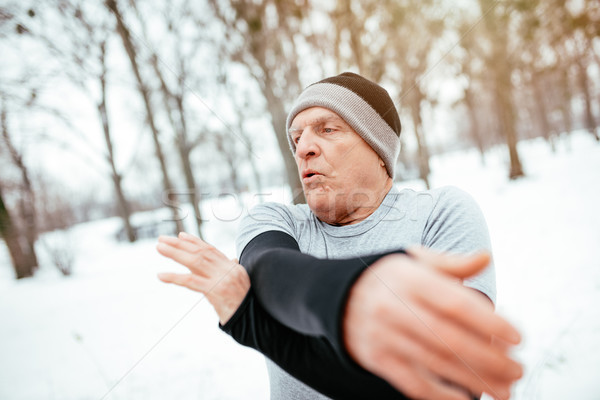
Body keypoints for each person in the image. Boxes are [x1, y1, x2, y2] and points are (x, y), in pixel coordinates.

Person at [156, 72, 522, 400]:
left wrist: (253, 321)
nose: (303, 148)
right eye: (297, 138)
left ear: (379, 151)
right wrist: (350, 297)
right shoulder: (276, 220)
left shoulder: (440, 211)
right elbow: (268, 268)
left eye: (328, 129)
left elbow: (449, 382)